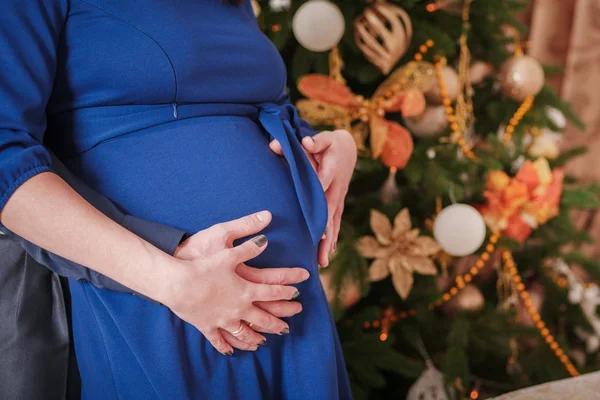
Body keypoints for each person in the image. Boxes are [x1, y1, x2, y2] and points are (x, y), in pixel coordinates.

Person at [0, 0, 357, 399]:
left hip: (291, 312)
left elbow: (260, 106)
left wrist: (337, 144)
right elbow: (5, 159)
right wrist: (174, 282)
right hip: (165, 304)